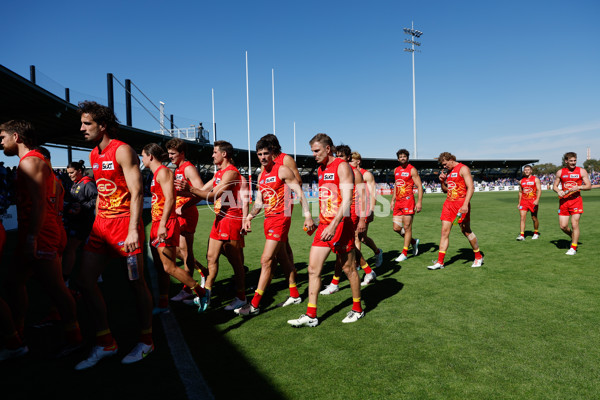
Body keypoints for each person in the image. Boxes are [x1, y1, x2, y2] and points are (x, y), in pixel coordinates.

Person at [74, 101, 154, 370]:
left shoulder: (122, 150)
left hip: (124, 226)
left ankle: (146, 340)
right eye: (82, 123)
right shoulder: (93, 155)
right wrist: (95, 224)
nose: (82, 128)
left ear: (102, 125)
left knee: (136, 283)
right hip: (101, 227)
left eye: (87, 124)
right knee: (84, 281)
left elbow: (137, 192)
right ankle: (106, 341)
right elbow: (102, 192)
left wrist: (134, 229)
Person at [0, 120, 82, 357]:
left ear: (16, 136)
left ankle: (74, 337)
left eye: (2, 137)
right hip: (43, 230)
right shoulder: (38, 161)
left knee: (55, 288)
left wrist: (31, 238)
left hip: (41, 233)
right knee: (13, 283)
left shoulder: (31, 162)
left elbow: (38, 204)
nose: (0, 142)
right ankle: (17, 333)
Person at [287, 133, 364, 327]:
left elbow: (346, 201)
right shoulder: (321, 169)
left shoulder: (342, 166)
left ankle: (357, 309)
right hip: (324, 226)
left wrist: (333, 224)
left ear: (327, 149)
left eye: (316, 151)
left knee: (348, 269)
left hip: (341, 226)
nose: (313, 155)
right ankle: (311, 315)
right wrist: (315, 220)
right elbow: (327, 200)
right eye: (312, 151)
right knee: (313, 269)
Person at [235, 137, 314, 316]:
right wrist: (249, 216)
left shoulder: (282, 169)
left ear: (272, 153)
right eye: (260, 154)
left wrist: (307, 216)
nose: (263, 157)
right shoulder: (261, 175)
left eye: (266, 153)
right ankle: (294, 294)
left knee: (266, 260)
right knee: (284, 258)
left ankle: (254, 305)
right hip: (268, 219)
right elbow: (258, 202)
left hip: (280, 218)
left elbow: (299, 192)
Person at [175, 140, 248, 312]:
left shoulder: (231, 173)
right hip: (220, 219)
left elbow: (213, 195)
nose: (212, 155)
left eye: (215, 152)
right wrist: (179, 197)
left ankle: (241, 297)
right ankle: (205, 295)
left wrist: (190, 189)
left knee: (236, 262)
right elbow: (201, 193)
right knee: (210, 257)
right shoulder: (219, 173)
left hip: (231, 219)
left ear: (224, 154)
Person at [141, 143, 206, 314]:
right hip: (157, 222)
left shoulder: (163, 172)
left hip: (166, 222)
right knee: (160, 267)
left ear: (150, 156)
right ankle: (163, 304)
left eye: (142, 155)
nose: (141, 159)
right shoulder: (157, 173)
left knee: (169, 266)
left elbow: (169, 199)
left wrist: (163, 224)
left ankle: (201, 292)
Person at [320, 144, 376, 295]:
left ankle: (335, 282)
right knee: (345, 249)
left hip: (351, 214)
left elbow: (363, 196)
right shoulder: (336, 170)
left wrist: (363, 218)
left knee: (342, 249)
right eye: (336, 156)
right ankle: (368, 271)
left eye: (342, 156)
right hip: (339, 214)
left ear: (348, 157)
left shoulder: (355, 172)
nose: (338, 159)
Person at [164, 138, 207, 306]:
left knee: (185, 251)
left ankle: (187, 289)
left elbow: (201, 192)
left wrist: (184, 206)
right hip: (178, 213)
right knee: (178, 250)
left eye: (173, 154)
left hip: (186, 214)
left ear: (182, 153)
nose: (170, 157)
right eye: (169, 153)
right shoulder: (179, 168)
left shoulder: (188, 168)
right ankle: (202, 271)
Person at [428, 152, 483, 270]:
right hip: (448, 205)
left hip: (461, 205)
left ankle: (478, 256)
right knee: (444, 232)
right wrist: (442, 181)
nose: (444, 166)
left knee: (466, 231)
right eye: (442, 165)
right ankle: (440, 262)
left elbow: (471, 188)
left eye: (445, 164)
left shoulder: (463, 169)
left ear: (451, 159)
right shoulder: (448, 172)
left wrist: (465, 204)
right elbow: (445, 191)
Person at [62, 160, 97, 283]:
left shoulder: (87, 183)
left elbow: (97, 199)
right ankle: (96, 275)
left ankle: (65, 279)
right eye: (68, 173)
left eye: (72, 173)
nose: (69, 175)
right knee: (85, 249)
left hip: (83, 222)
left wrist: (82, 207)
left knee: (70, 248)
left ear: (79, 171)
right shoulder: (76, 183)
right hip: (76, 221)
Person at [552, 152, 592, 255]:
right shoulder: (560, 172)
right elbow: (554, 186)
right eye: (571, 161)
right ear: (566, 161)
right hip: (564, 202)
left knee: (575, 224)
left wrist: (579, 187)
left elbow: (588, 186)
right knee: (563, 226)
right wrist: (559, 191)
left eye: (575, 160)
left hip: (576, 201)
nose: (573, 163)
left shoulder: (582, 171)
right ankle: (573, 237)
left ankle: (573, 247)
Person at [349, 152, 383, 267]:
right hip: (353, 209)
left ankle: (377, 252)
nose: (349, 163)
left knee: (361, 237)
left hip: (364, 208)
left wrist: (372, 210)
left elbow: (373, 194)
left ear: (358, 161)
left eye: (351, 160)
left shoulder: (366, 174)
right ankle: (357, 263)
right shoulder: (350, 174)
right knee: (357, 237)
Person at [391, 149, 422, 262]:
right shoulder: (396, 170)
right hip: (398, 202)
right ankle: (413, 242)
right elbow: (396, 185)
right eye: (400, 156)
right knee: (396, 228)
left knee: (407, 227)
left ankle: (404, 253)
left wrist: (419, 202)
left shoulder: (412, 170)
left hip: (408, 201)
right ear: (398, 158)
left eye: (404, 156)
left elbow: (419, 186)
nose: (402, 158)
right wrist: (393, 199)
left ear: (407, 158)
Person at [516, 165, 541, 241]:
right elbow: (520, 192)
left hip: (533, 201)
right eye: (525, 170)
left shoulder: (536, 179)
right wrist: (519, 203)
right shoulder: (521, 181)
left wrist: (537, 200)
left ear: (531, 171)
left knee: (534, 218)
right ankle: (522, 235)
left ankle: (536, 233)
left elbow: (539, 190)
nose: (526, 171)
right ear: (524, 171)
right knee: (522, 218)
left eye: (528, 170)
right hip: (524, 202)